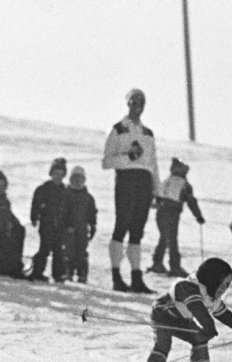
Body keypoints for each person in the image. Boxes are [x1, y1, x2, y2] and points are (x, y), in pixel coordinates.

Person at [137, 257, 232, 362]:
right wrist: (209, 326)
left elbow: (228, 317)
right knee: (164, 342)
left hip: (182, 320)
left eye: (228, 284)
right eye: (223, 283)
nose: (225, 288)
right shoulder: (187, 287)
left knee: (200, 339)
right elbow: (197, 308)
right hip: (163, 314)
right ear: (212, 279)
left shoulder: (211, 297)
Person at [102, 88, 161, 293]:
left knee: (137, 230)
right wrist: (128, 158)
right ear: (128, 104)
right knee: (122, 225)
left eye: (140, 103)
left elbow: (153, 163)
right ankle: (116, 275)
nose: (137, 107)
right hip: (127, 179)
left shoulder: (148, 133)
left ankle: (136, 277)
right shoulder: (118, 129)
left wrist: (157, 191)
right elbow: (106, 161)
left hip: (144, 181)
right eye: (133, 103)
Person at [147, 157, 205, 278]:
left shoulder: (167, 181)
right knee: (172, 239)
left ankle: (157, 263)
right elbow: (191, 201)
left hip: (160, 212)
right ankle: (175, 267)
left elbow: (156, 196)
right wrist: (198, 216)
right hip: (172, 213)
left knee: (164, 237)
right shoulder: (184, 184)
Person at [29, 158, 69, 282]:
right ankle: (37, 271)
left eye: (61, 174)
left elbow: (68, 210)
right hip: (46, 222)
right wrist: (34, 217)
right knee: (45, 247)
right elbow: (35, 204)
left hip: (60, 225)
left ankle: (58, 274)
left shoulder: (65, 191)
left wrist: (68, 223)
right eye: (56, 173)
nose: (58, 177)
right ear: (51, 173)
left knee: (58, 249)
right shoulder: (43, 188)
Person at [0, 173, 28, 279]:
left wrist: (15, 223)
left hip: (4, 229)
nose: (0, 188)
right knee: (5, 237)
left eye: (2, 186)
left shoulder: (5, 201)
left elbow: (9, 215)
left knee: (19, 231)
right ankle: (2, 267)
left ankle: (15, 265)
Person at [63, 166, 98, 283]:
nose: (77, 182)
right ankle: (68, 270)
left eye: (80, 179)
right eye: (74, 179)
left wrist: (93, 226)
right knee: (68, 250)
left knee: (81, 251)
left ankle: (82, 273)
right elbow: (62, 212)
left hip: (82, 228)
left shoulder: (88, 198)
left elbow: (92, 213)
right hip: (68, 229)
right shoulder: (65, 195)